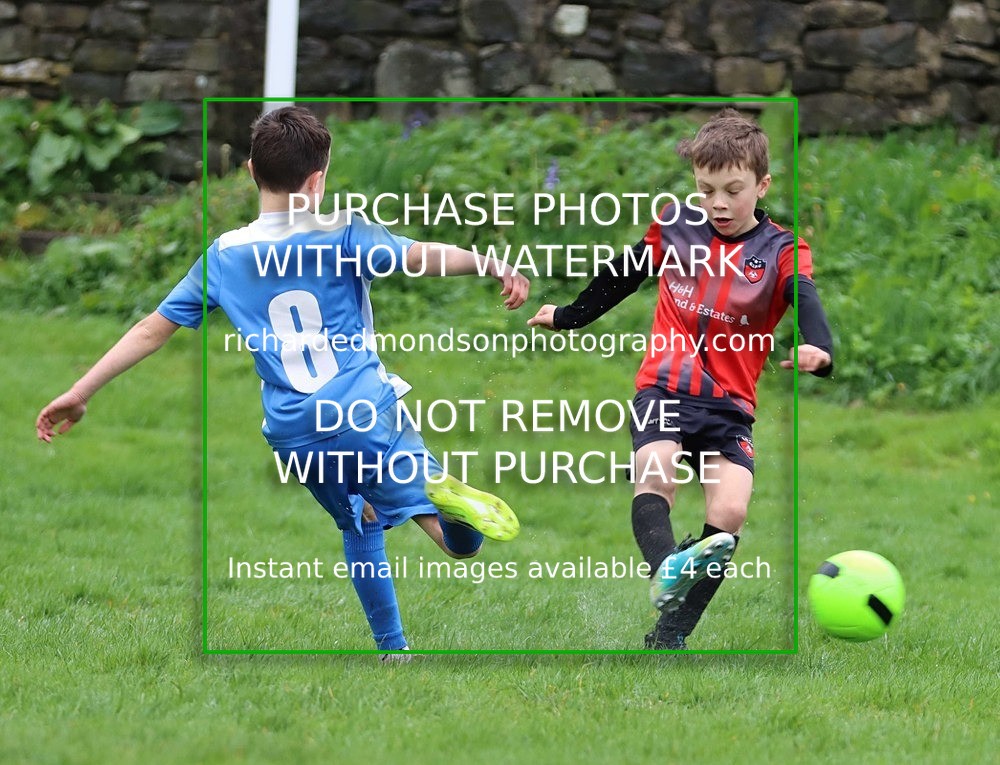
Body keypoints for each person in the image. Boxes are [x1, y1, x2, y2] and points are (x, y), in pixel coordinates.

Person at [36, 105, 530, 658]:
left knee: (361, 525)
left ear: (250, 170)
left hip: (297, 431)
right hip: (364, 410)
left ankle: (394, 651)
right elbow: (419, 257)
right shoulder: (342, 230)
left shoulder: (223, 255)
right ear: (317, 180)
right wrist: (488, 262)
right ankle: (452, 512)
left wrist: (80, 391)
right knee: (453, 542)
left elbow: (152, 329)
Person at [528, 108, 833, 649]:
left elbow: (803, 296)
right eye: (706, 188)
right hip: (664, 388)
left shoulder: (783, 248)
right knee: (656, 468)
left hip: (729, 404)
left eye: (733, 190)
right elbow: (623, 274)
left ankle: (670, 633)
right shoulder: (675, 225)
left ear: (762, 185)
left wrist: (819, 346)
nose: (718, 202)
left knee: (730, 510)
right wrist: (570, 315)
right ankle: (667, 565)